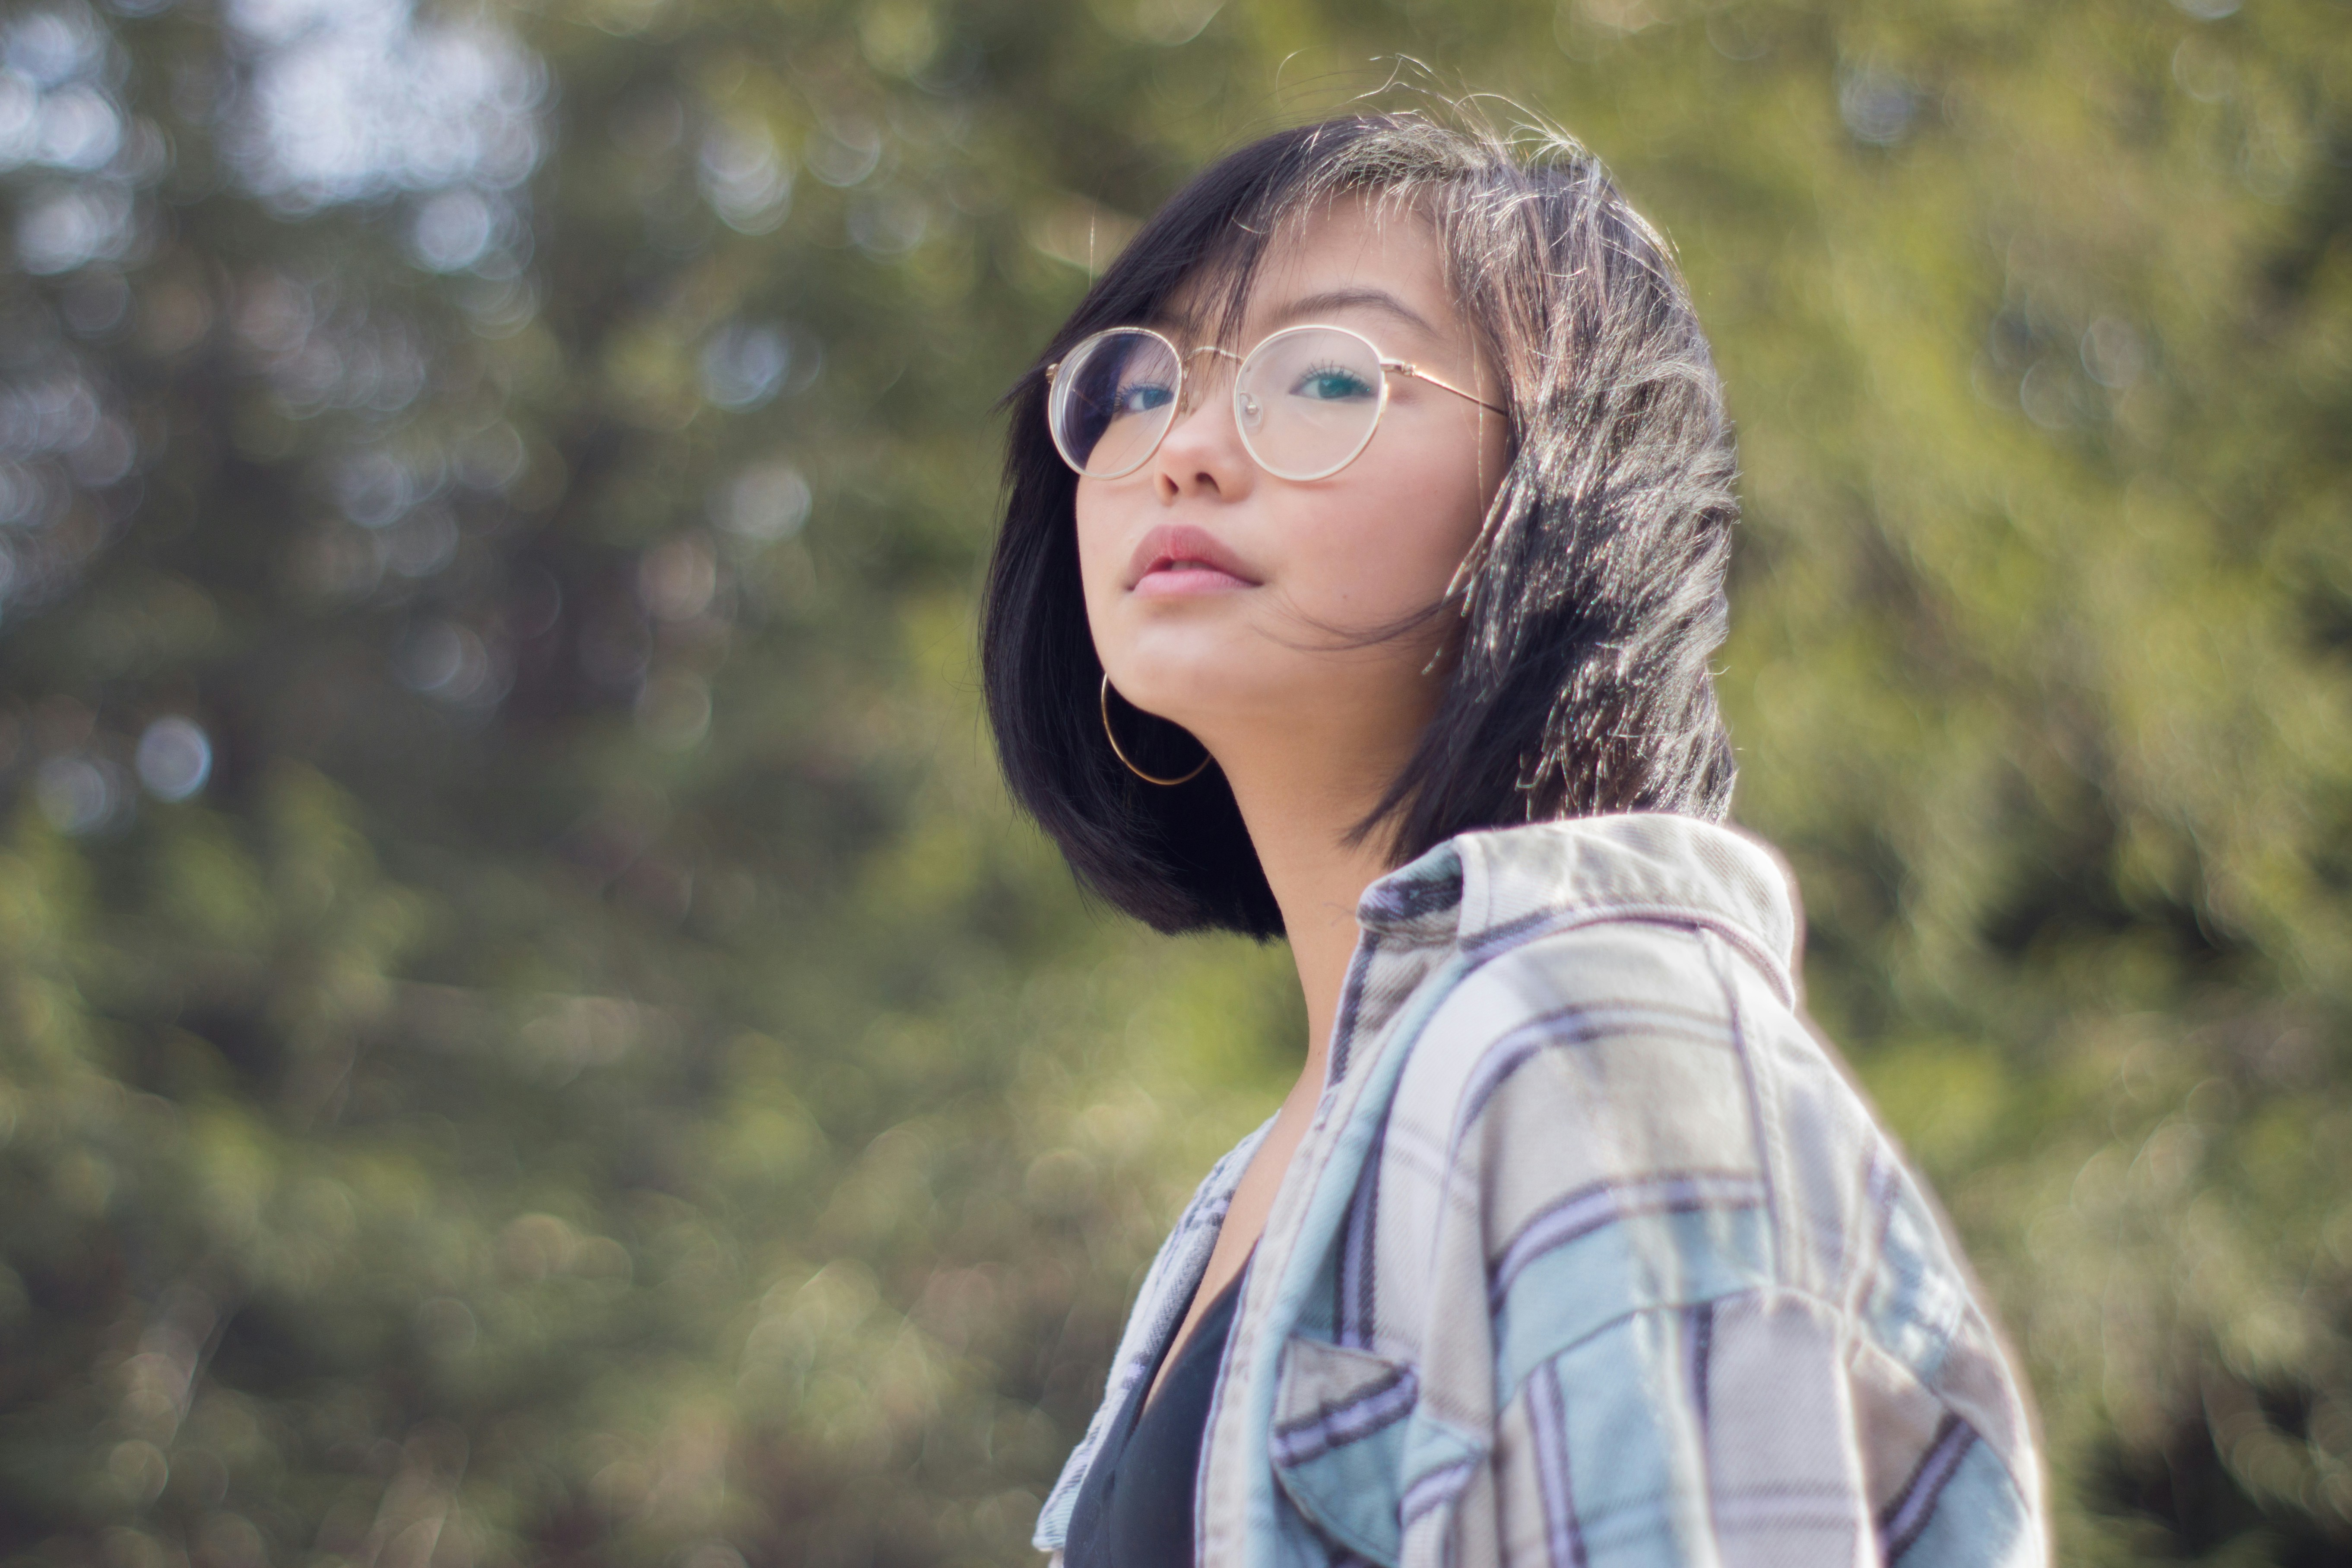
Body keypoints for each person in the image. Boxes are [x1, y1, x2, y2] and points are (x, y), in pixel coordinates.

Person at [981, 109, 2045, 1568]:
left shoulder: (1601, 1044)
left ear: (1567, 497)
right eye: (1138, 385)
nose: (1184, 451)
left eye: (1329, 376)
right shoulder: (1286, 1161)